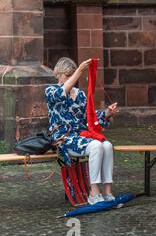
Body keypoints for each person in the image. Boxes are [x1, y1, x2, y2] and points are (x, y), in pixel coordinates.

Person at [45, 57, 119, 205]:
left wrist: (107, 113)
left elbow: (90, 116)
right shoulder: (50, 90)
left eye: (73, 75)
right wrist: (79, 70)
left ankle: (107, 191)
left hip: (81, 136)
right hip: (63, 138)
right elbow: (61, 93)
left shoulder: (80, 95)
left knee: (107, 145)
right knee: (96, 146)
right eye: (68, 75)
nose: (72, 78)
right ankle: (93, 192)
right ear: (58, 74)